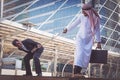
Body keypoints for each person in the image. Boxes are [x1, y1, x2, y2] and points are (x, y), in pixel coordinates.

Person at [63, 4, 101, 77]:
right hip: (80, 38)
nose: (82, 12)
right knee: (79, 54)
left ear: (88, 11)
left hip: (89, 40)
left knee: (86, 56)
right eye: (82, 11)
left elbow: (97, 30)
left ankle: (80, 71)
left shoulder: (96, 18)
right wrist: (67, 29)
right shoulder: (81, 16)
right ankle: (76, 71)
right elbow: (74, 24)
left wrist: (99, 41)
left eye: (84, 11)